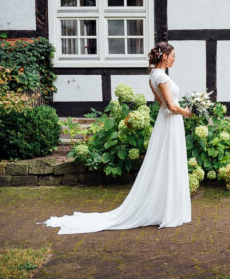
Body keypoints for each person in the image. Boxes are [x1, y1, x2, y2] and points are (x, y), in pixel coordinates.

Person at [41, 41, 192, 234]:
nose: (174, 59)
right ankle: (169, 210)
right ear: (165, 56)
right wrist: (186, 112)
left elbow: (159, 101)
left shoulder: (153, 76)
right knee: (169, 161)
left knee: (166, 162)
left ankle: (166, 208)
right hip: (170, 120)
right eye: (173, 56)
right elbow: (170, 106)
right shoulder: (161, 77)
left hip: (166, 121)